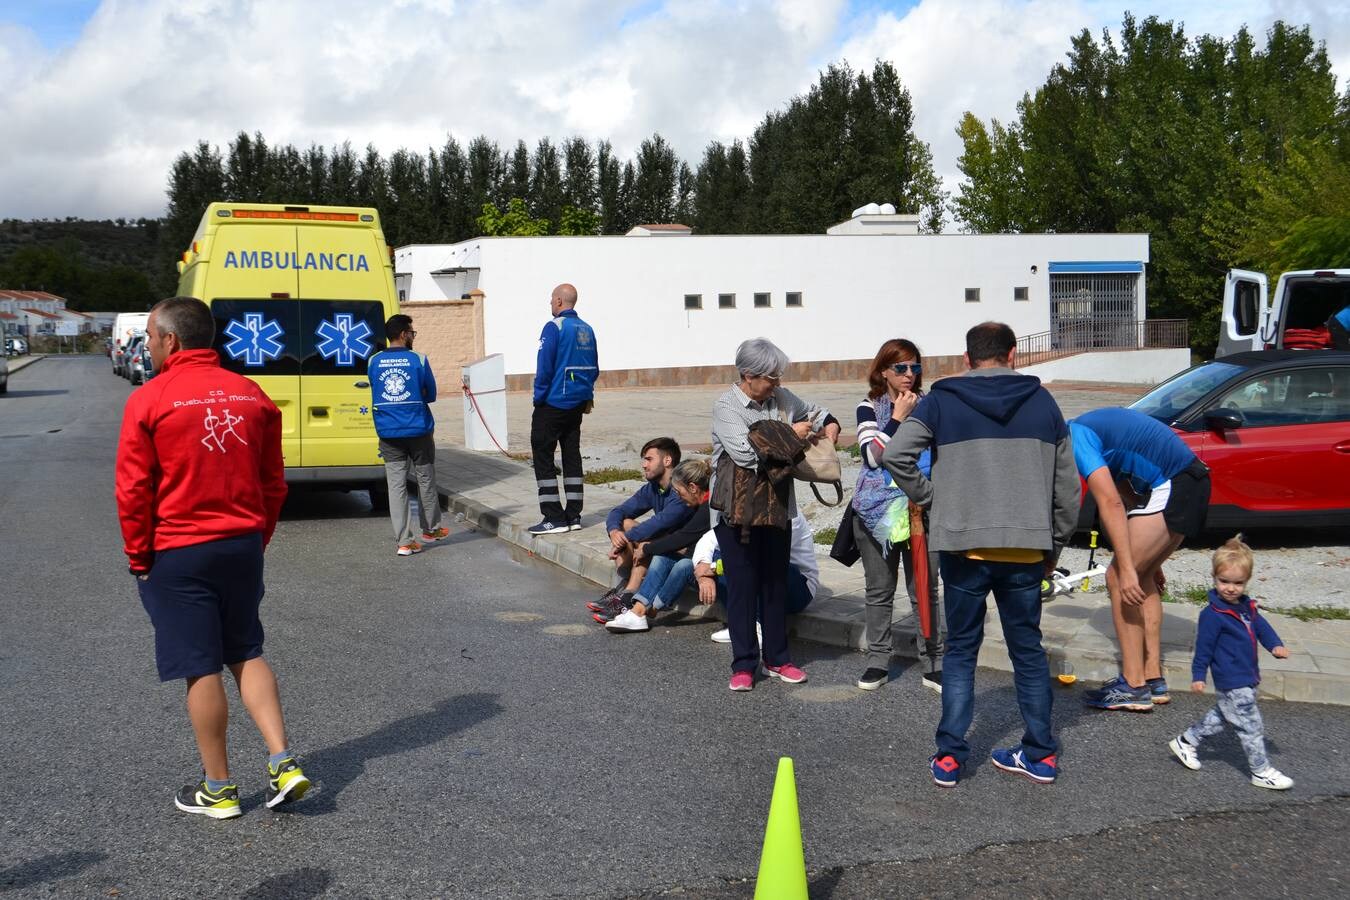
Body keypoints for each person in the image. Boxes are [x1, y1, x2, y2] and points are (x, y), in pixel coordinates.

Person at [115, 296, 309, 819]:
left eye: (152, 339)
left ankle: (219, 789)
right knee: (246, 648)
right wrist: (258, 536)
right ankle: (283, 761)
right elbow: (273, 482)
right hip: (241, 545)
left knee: (201, 665)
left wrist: (139, 556)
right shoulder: (252, 394)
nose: (149, 348)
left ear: (170, 340)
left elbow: (133, 490)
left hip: (179, 551)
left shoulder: (150, 400)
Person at [884, 322, 1079, 788]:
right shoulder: (1044, 403)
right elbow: (1068, 491)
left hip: (963, 547)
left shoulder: (941, 402)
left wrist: (935, 500)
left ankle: (950, 757)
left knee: (961, 652)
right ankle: (1040, 754)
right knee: (1028, 653)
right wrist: (1053, 545)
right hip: (1026, 549)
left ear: (967, 359)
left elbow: (895, 455)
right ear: (1013, 354)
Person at [711, 337, 840, 692]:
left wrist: (830, 425)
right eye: (770, 378)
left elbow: (816, 412)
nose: (777, 385)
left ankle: (778, 659)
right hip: (736, 514)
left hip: (779, 509)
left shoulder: (781, 399)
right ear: (748, 375)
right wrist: (791, 436)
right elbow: (746, 455)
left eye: (779, 377)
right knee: (742, 588)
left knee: (774, 585)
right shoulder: (727, 406)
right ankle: (743, 664)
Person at [1069, 407, 1211, 711]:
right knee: (1142, 578)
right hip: (1191, 482)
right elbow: (1127, 496)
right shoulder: (1093, 431)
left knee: (1118, 577)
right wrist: (1148, 561)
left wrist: (1127, 568)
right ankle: (1152, 678)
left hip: (1175, 483)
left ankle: (1133, 686)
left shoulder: (1076, 435)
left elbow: (1109, 503)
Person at [853, 338, 945, 693]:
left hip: (924, 506)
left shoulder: (931, 405)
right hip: (879, 513)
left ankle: (932, 662)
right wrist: (895, 419)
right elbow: (872, 458)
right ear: (883, 372)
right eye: (901, 368)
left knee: (925, 589)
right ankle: (878, 659)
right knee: (880, 589)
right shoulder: (868, 407)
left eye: (915, 368)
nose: (909, 375)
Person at [1168, 537, 1294, 790]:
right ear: (1214, 577)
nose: (1230, 588)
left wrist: (1275, 645)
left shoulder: (1247, 608)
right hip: (1232, 677)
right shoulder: (1212, 615)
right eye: (1224, 581)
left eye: (1238, 583)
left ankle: (1186, 741)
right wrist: (1198, 675)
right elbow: (1203, 648)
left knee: (1223, 716)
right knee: (1251, 726)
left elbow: (1262, 627)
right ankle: (1260, 771)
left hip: (1247, 675)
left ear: (1246, 582)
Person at [588, 438, 694, 623]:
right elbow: (618, 511)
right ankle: (624, 589)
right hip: (663, 546)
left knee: (646, 539)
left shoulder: (681, 490)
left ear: (667, 461)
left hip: (685, 550)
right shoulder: (653, 488)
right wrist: (614, 532)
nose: (644, 465)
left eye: (649, 459)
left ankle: (628, 596)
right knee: (626, 523)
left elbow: (658, 523)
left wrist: (626, 538)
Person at [370, 314, 448, 557]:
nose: (413, 336)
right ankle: (431, 529)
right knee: (425, 477)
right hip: (418, 430)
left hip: (388, 431)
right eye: (412, 333)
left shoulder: (373, 360)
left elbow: (376, 388)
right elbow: (431, 394)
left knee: (396, 486)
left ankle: (404, 541)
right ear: (403, 334)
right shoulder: (418, 359)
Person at [605, 458, 712, 633]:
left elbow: (681, 538)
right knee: (663, 557)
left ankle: (651, 608)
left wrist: (646, 549)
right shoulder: (695, 503)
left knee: (683, 565)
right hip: (699, 559)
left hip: (714, 567)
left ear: (693, 488)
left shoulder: (707, 508)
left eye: (679, 492)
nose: (678, 497)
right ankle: (638, 612)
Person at [529, 283, 599, 535]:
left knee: (543, 454)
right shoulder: (587, 329)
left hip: (553, 402)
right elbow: (595, 367)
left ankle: (553, 517)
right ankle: (574, 515)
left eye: (551, 299)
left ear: (559, 301)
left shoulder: (554, 327)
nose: (550, 303)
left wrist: (539, 398)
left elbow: (544, 368)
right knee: (572, 456)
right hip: (578, 404)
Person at [699, 510, 820, 643]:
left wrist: (716, 567)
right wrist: (704, 574)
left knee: (754, 564)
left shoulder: (787, 513)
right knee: (716, 557)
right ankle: (742, 625)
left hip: (799, 586)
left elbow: (760, 556)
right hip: (767, 577)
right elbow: (708, 539)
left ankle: (757, 626)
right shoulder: (746, 508)